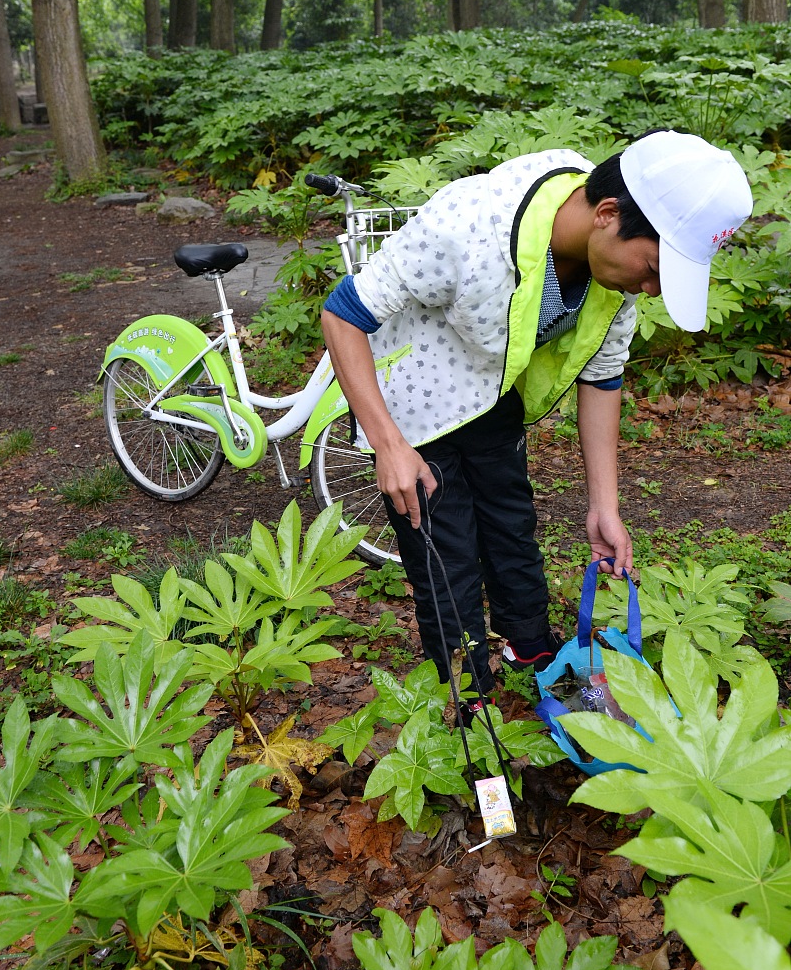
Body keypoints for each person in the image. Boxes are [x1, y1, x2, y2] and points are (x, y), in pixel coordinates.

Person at [321, 130, 753, 711]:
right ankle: (467, 700)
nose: (651, 290)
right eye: (653, 268)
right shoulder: (468, 226)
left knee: (513, 538)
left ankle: (537, 661)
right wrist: (389, 447)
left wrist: (605, 506)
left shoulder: (611, 272)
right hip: (413, 410)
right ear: (607, 214)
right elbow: (343, 314)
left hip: (495, 395)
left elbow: (603, 374)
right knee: (446, 563)